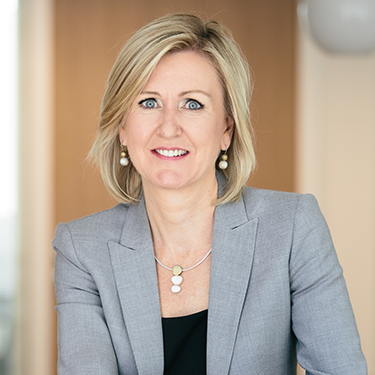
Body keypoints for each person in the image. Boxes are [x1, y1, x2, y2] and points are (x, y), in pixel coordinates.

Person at [52, 13, 367, 375]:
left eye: (193, 104)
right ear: (122, 128)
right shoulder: (81, 249)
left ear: (226, 131)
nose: (168, 127)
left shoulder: (293, 227)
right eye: (148, 102)